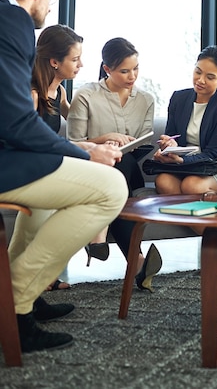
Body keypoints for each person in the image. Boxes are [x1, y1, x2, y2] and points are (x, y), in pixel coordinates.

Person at [0, 0, 128, 353]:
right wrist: (88, 155)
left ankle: (28, 298)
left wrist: (82, 146)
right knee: (111, 188)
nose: (50, 1)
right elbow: (17, 122)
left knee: (41, 205)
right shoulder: (12, 21)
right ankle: (14, 301)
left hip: (12, 155)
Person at [67, 37, 161, 289]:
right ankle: (138, 263)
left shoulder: (146, 99)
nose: (132, 76)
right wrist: (104, 140)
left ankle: (99, 233)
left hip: (129, 169)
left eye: (136, 68)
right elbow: (73, 143)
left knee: (123, 160)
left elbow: (143, 141)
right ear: (107, 69)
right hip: (92, 169)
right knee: (115, 164)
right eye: (124, 71)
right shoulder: (86, 95)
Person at [7, 24, 84, 291]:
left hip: (43, 167)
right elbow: (23, 139)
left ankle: (23, 291)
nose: (81, 65)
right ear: (54, 61)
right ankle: (30, 288)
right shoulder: (31, 93)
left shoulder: (60, 92)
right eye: (75, 59)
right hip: (26, 169)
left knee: (28, 232)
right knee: (33, 228)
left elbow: (77, 126)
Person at [154, 46, 217, 272]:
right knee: (163, 181)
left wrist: (183, 161)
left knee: (192, 185)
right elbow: (172, 134)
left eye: (210, 77)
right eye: (197, 71)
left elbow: (215, 151)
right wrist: (168, 146)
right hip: (182, 167)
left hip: (213, 168)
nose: (200, 80)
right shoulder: (179, 98)